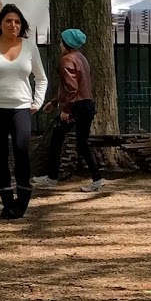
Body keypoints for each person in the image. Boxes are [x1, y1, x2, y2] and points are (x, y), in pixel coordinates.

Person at [0, 3, 47, 218]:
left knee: (22, 153)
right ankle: (7, 202)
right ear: (0, 24)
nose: (13, 25)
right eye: (8, 21)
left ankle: (21, 202)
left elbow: (41, 78)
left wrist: (36, 102)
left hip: (21, 108)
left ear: (21, 25)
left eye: (17, 21)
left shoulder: (30, 47)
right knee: (0, 156)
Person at [32, 28, 104, 194]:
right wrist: (55, 102)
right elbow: (79, 87)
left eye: (61, 41)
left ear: (65, 43)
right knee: (81, 143)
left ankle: (52, 177)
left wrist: (65, 109)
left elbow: (71, 88)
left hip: (75, 107)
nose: (59, 44)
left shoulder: (66, 60)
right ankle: (96, 177)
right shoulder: (81, 58)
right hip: (86, 104)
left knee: (57, 139)